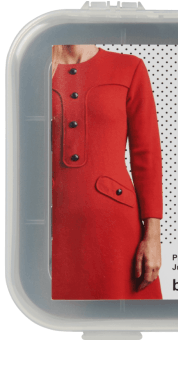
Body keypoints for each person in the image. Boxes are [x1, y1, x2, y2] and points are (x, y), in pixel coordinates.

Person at [51, 45, 163, 299]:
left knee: (126, 317)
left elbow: (147, 155)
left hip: (117, 231)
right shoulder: (29, 71)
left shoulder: (129, 67)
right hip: (50, 225)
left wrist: (153, 236)